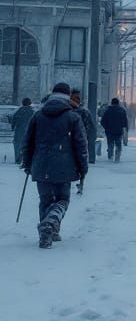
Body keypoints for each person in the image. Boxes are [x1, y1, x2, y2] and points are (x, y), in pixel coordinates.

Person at [21, 82, 88, 248]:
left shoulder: (38, 115)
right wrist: (83, 167)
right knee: (62, 199)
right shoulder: (73, 117)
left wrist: (28, 163)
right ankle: (50, 224)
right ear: (68, 96)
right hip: (64, 167)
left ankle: (48, 233)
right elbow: (81, 145)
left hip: (40, 164)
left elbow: (27, 142)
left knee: (45, 199)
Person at [69, 90, 98, 165]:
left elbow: (91, 128)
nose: (77, 99)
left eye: (78, 98)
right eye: (75, 97)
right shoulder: (66, 110)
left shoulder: (84, 111)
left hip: (80, 139)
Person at [100, 97, 129, 162]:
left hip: (109, 131)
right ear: (118, 103)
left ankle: (110, 157)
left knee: (110, 144)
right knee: (118, 144)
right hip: (119, 131)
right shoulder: (122, 111)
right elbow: (125, 122)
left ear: (112, 103)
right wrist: (125, 129)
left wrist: (106, 128)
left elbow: (102, 121)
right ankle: (117, 157)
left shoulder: (107, 111)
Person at [9, 97, 33, 164]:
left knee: (17, 145)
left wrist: (12, 127)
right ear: (30, 103)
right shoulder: (33, 112)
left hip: (19, 131)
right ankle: (27, 160)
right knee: (28, 145)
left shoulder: (19, 111)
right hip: (30, 132)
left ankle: (18, 159)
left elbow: (14, 121)